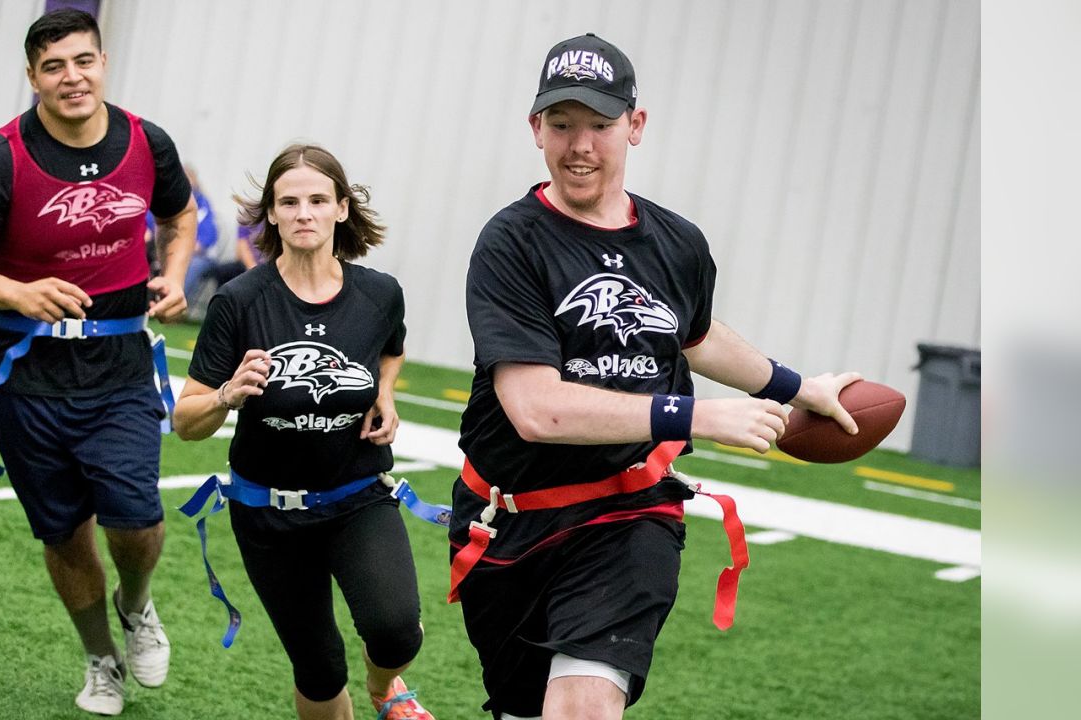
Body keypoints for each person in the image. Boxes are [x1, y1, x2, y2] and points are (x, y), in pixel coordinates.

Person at [449, 33, 863, 720]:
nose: (580, 145)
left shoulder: (677, 243)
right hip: (508, 521)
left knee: (582, 707)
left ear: (634, 126)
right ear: (535, 130)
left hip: (628, 512)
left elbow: (694, 335)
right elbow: (536, 411)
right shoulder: (512, 242)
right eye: (561, 124)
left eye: (600, 125)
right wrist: (695, 416)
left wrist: (794, 388)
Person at [0, 9, 195, 716]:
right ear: (33, 77)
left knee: (135, 518)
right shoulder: (2, 158)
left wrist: (175, 271)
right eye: (54, 66)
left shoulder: (147, 141)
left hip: (122, 368)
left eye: (83, 61)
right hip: (25, 376)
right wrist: (16, 289)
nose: (71, 77)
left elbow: (181, 214)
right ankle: (101, 660)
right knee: (65, 533)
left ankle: (136, 608)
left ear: (103, 62)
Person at [172, 143, 434, 720]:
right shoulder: (240, 302)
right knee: (317, 668)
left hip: (357, 498)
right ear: (271, 214)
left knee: (396, 633)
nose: (304, 213)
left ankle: (384, 685)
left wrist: (384, 392)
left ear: (342, 208)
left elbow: (391, 349)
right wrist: (225, 394)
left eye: (318, 199)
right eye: (288, 202)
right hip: (269, 514)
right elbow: (185, 420)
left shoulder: (379, 294)